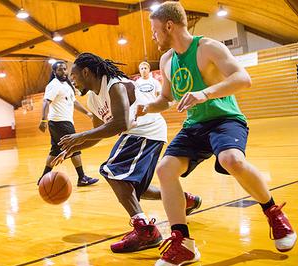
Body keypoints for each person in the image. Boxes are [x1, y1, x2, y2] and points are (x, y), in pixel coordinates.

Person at [136, 1, 297, 266]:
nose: (153, 36)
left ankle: (274, 213)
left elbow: (243, 78)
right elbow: (166, 98)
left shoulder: (207, 47)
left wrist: (205, 93)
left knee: (232, 159)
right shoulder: (166, 61)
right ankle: (183, 242)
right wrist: (148, 107)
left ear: (168, 26)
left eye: (154, 30)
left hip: (225, 119)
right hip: (195, 125)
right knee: (165, 170)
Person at [52, 52, 201, 253]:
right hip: (137, 134)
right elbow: (97, 134)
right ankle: (184, 200)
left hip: (146, 129)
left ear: (86, 72)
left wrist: (80, 136)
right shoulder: (92, 100)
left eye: (74, 76)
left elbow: (120, 123)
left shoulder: (115, 84)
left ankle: (146, 231)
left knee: (111, 171)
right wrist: (74, 148)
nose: (73, 82)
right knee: (135, 188)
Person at [38, 61, 98, 187]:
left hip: (63, 122)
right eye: (60, 70)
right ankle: (82, 177)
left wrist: (88, 113)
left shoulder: (66, 84)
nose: (64, 72)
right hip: (60, 122)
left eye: (65, 69)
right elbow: (46, 102)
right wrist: (43, 120)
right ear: (54, 72)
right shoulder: (53, 85)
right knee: (75, 146)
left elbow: (74, 103)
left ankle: (43, 178)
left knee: (55, 151)